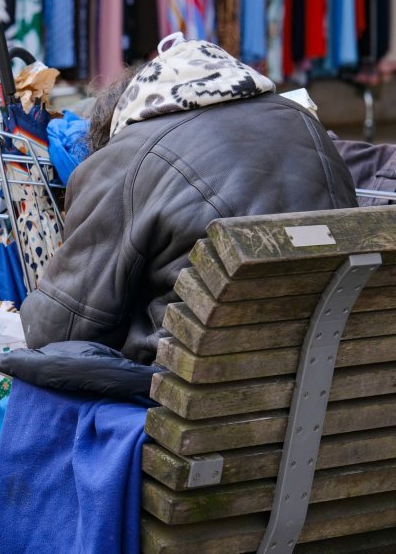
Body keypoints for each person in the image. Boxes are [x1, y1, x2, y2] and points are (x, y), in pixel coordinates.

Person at [20, 35, 358, 364]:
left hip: (191, 397)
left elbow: (58, 333)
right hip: (332, 372)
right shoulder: (306, 123)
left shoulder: (127, 156)